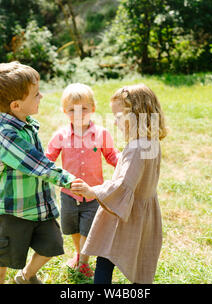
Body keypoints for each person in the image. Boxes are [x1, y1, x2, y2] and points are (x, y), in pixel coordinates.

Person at [0, 61, 76, 284]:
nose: (41, 97)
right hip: (15, 210)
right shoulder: (7, 133)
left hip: (40, 205)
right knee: (3, 258)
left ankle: (25, 276)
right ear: (16, 105)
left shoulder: (28, 124)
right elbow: (37, 165)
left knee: (52, 246)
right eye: (36, 94)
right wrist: (66, 179)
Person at [70, 83, 167, 284]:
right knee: (138, 257)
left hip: (125, 214)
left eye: (118, 117)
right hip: (142, 212)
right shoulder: (150, 141)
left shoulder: (137, 148)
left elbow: (123, 186)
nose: (115, 123)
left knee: (106, 255)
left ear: (135, 115)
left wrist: (92, 191)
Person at [45, 83, 120, 278]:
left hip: (93, 192)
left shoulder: (101, 134)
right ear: (64, 111)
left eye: (84, 109)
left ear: (93, 109)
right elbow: (48, 158)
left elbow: (111, 155)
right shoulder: (61, 135)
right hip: (69, 193)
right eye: (72, 110)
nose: (78, 113)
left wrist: (125, 164)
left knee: (88, 228)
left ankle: (84, 262)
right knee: (73, 228)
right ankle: (79, 254)